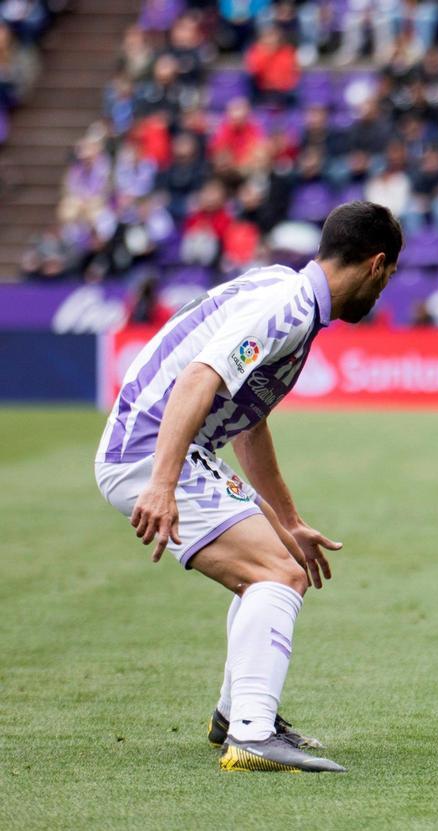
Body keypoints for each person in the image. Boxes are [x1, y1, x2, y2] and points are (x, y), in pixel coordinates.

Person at [93, 202, 404, 773]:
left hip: (172, 446)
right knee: (276, 575)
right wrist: (161, 483)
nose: (383, 292)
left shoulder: (292, 296)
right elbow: (199, 377)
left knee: (283, 557)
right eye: (387, 279)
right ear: (376, 264)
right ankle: (253, 735)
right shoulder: (287, 308)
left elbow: (249, 421)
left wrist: (287, 521)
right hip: (151, 449)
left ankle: (234, 712)